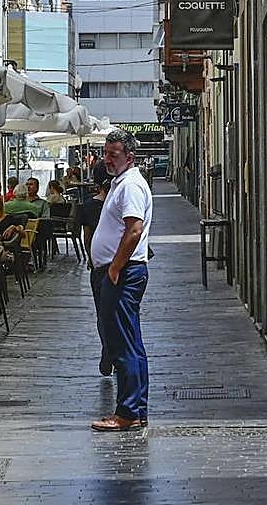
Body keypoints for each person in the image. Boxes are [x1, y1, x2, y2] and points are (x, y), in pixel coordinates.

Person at [89, 129, 153, 432]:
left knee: (122, 344)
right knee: (130, 342)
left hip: (123, 274)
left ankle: (127, 412)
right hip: (121, 272)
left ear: (129, 157)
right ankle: (135, 409)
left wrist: (114, 268)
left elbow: (134, 230)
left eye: (113, 154)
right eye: (106, 153)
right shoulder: (121, 183)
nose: (107, 159)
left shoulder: (130, 186)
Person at [79, 162, 112, 375]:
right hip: (124, 265)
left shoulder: (89, 206)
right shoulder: (120, 202)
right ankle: (115, 350)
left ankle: (107, 348)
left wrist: (91, 258)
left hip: (100, 266)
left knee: (102, 312)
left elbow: (87, 237)